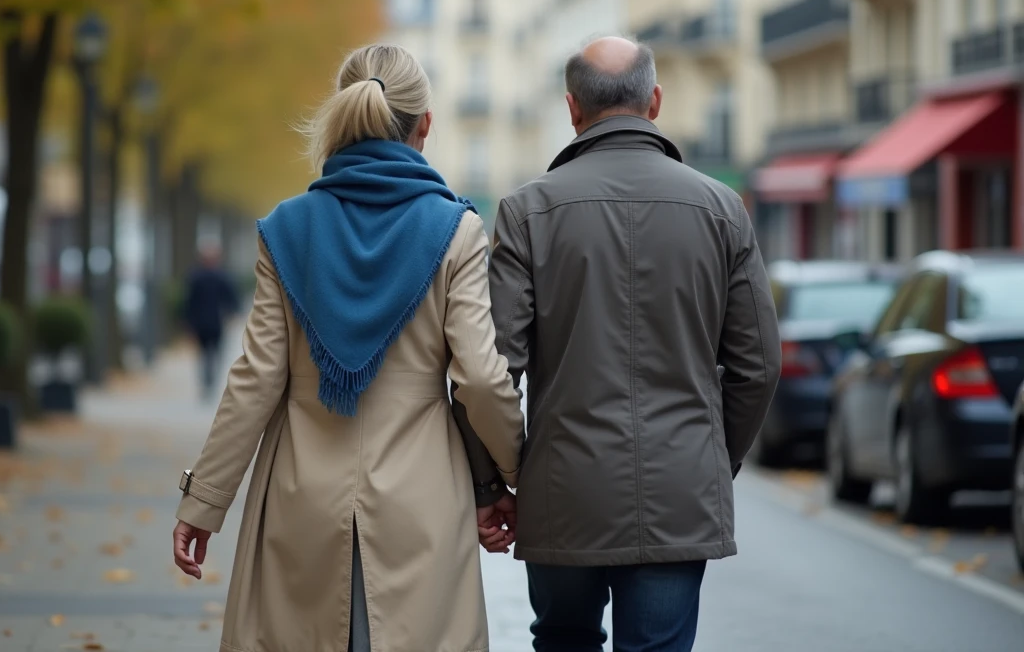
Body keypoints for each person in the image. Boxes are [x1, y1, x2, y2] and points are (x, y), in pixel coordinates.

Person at [171, 43, 525, 651]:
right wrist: (516, 477)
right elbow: (482, 381)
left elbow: (255, 380)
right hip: (422, 502)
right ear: (426, 126)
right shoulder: (457, 229)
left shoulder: (286, 227)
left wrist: (203, 503)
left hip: (301, 494)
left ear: (342, 115)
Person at [469, 37, 781, 652]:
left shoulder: (527, 212)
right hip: (680, 484)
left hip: (563, 488)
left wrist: (494, 484)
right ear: (655, 101)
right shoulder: (722, 208)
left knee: (563, 639)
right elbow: (759, 366)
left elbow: (491, 370)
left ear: (571, 109)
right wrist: (715, 457)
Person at [183, 242, 241, 399]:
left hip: (211, 322)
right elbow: (189, 302)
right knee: (208, 354)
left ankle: (209, 381)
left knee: (209, 354)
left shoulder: (198, 276)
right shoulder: (217, 276)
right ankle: (209, 381)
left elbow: (188, 302)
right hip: (209, 323)